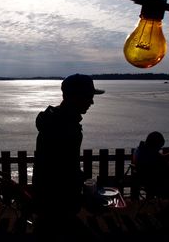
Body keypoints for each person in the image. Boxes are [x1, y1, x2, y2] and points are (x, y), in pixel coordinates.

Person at [32, 74, 104, 241]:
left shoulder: (56, 121)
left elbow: (64, 167)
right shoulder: (65, 127)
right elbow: (60, 173)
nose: (92, 102)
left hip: (49, 205)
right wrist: (86, 198)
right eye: (89, 97)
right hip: (57, 208)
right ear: (74, 97)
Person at [133, 131, 169, 198]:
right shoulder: (150, 155)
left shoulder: (140, 150)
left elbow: (160, 157)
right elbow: (166, 170)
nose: (159, 149)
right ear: (154, 144)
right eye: (159, 147)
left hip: (145, 181)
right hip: (156, 184)